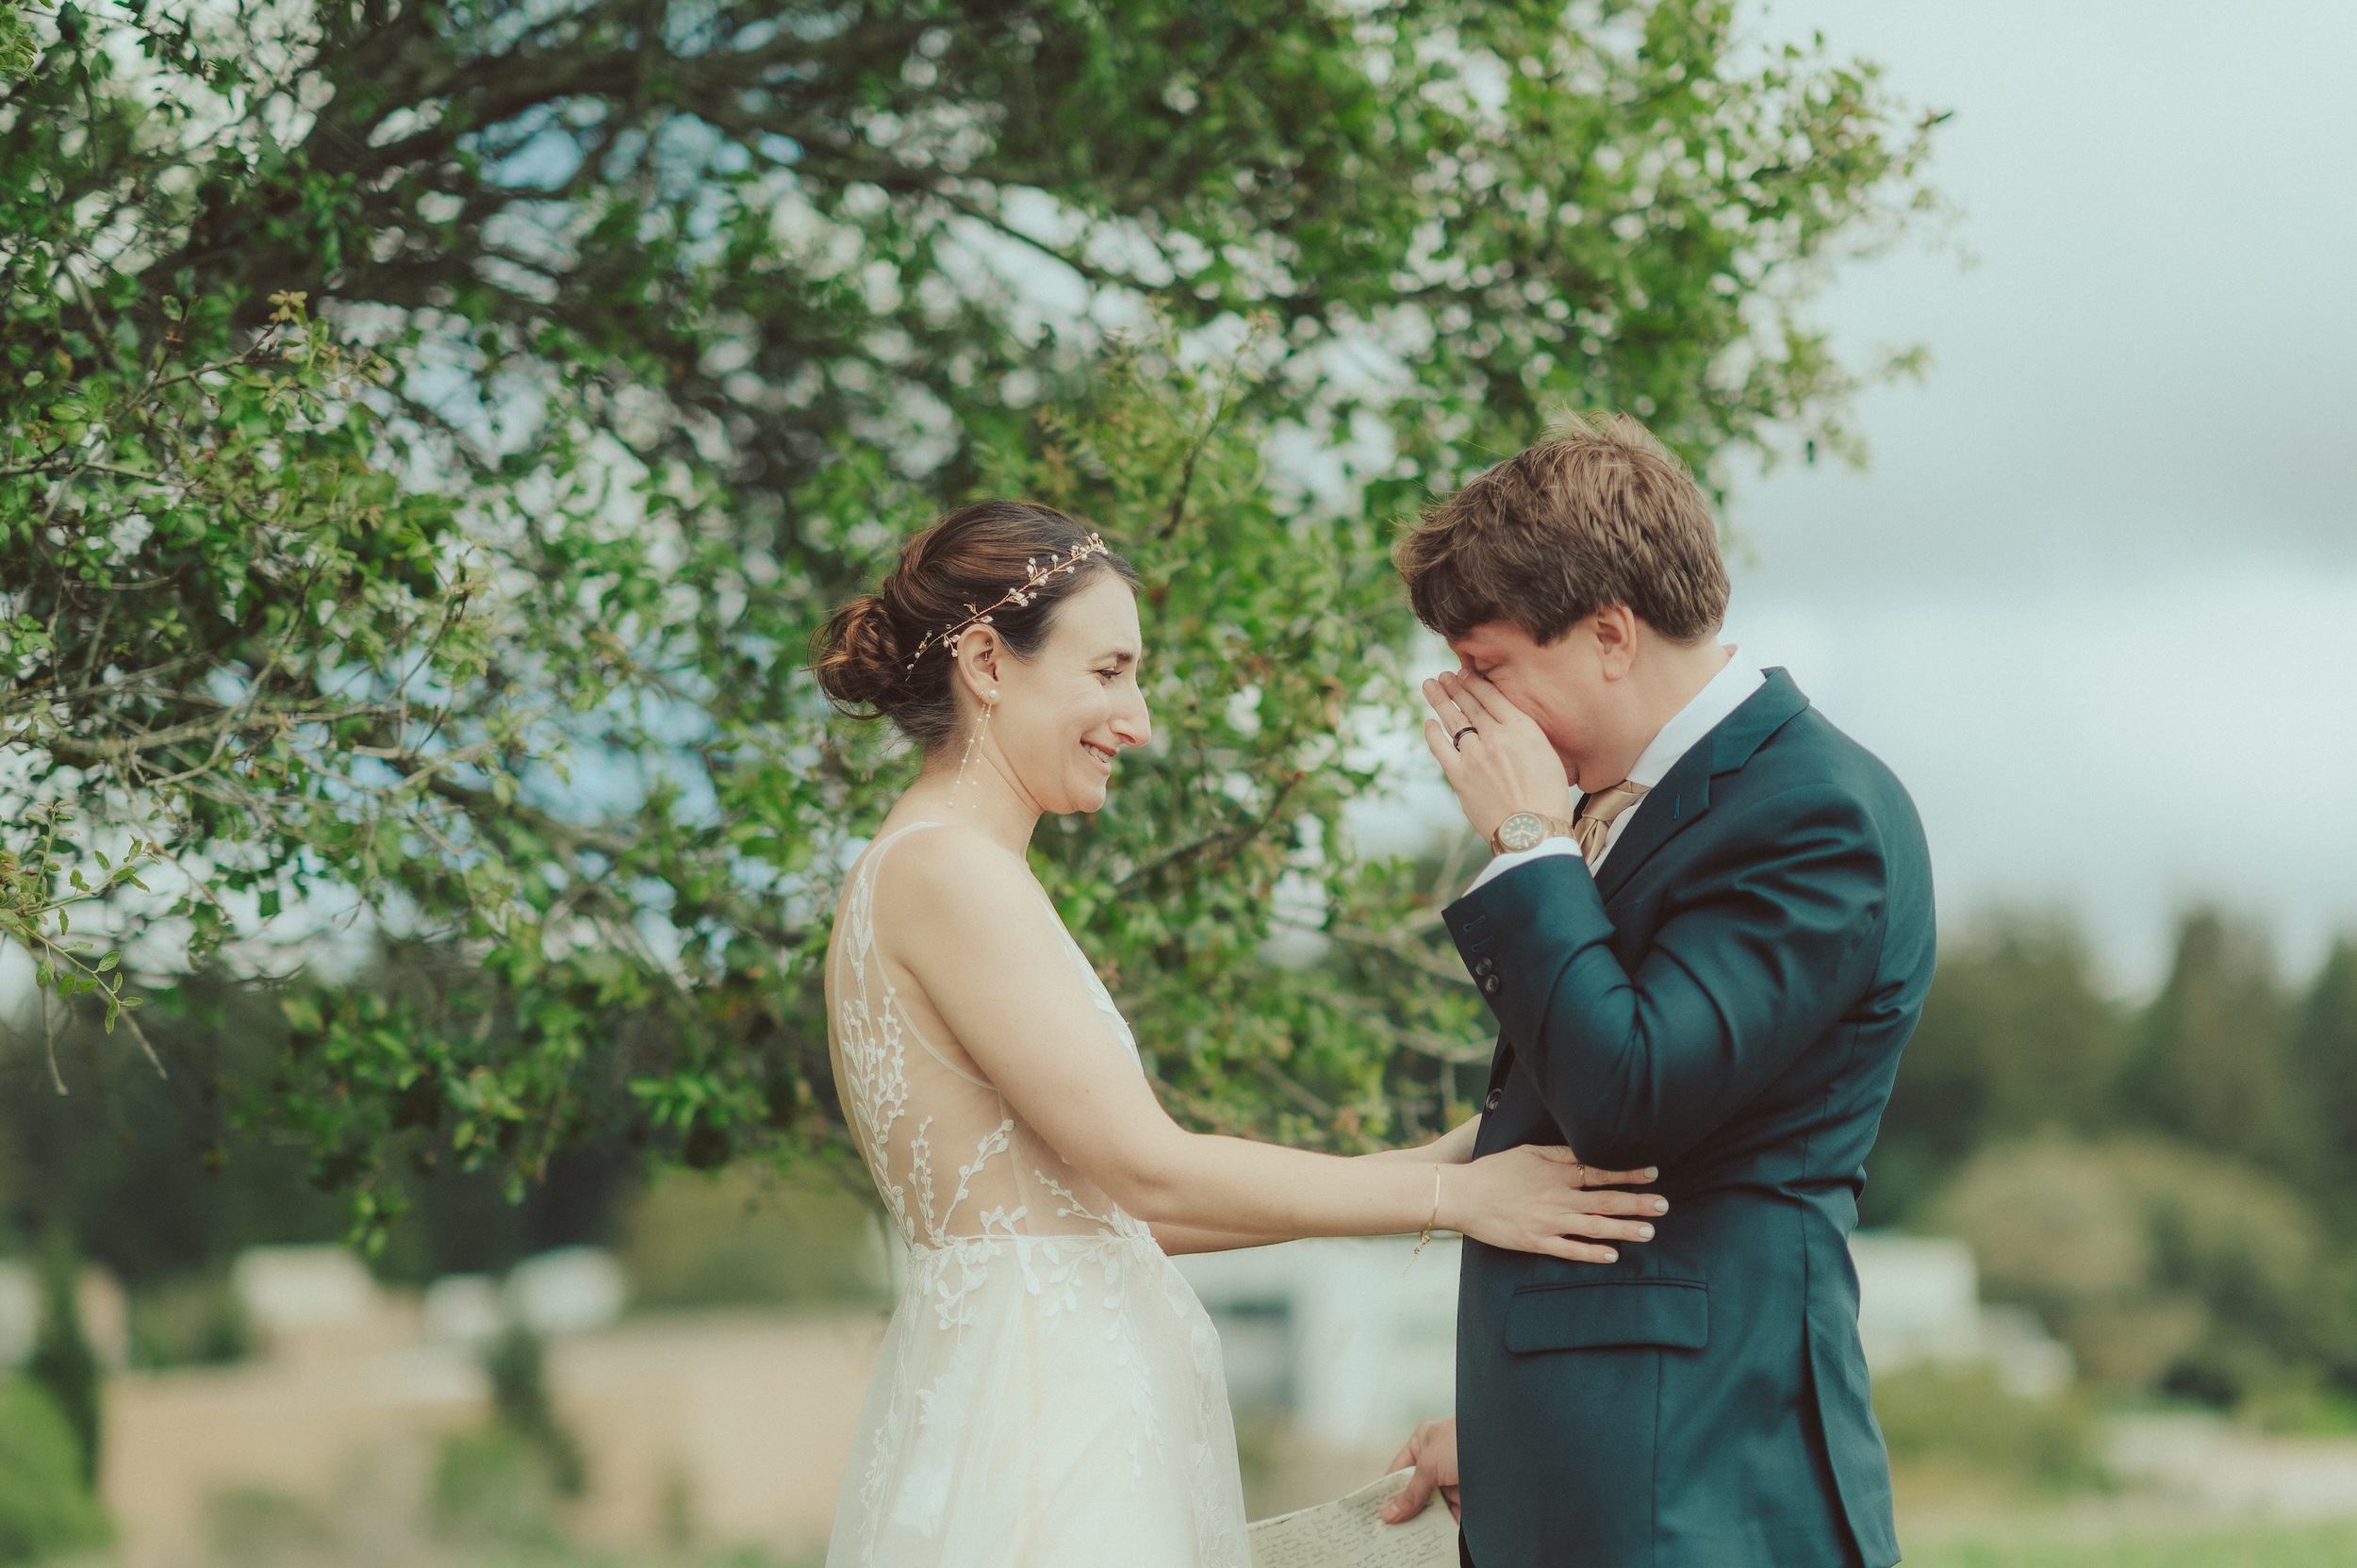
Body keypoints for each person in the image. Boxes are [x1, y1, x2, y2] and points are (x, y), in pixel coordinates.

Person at [811, 499, 1667, 1568]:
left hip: (1045, 1397)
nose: (1139, 719)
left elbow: (1107, 1214)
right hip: (1044, 1425)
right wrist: (1459, 1199)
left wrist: (1441, 1162)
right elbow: (1152, 1173)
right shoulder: (949, 872)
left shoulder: (943, 868)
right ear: (986, 661)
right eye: (1108, 670)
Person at [1380, 416, 1937, 1568]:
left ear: (1609, 635)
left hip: (1700, 1487)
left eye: (1486, 671)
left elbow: (1628, 1094)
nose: (1465, 721)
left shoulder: (1808, 812)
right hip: (1606, 1465)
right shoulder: (1640, 801)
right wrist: (1512, 1431)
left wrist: (1528, 840)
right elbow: (1536, 1129)